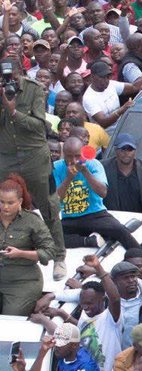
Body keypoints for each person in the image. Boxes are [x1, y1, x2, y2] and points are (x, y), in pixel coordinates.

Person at [0, 52, 64, 278]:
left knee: (48, 205)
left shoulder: (34, 89)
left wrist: (14, 111)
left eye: (12, 76)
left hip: (34, 156)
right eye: (5, 76)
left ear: (21, 72)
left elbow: (39, 126)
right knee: (5, 207)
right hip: (6, 157)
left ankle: (59, 257)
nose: (10, 81)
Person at [53, 137, 140, 251]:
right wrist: (68, 178)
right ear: (63, 154)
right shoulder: (56, 167)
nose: (73, 160)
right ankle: (89, 241)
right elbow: (56, 199)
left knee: (120, 230)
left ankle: (140, 257)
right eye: (69, 156)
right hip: (70, 217)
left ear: (83, 153)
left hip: (95, 214)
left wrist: (85, 172)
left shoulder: (94, 164)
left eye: (77, 156)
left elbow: (103, 192)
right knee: (51, 237)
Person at [0, 174, 55, 315]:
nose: (5, 207)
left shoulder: (31, 221)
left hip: (23, 282)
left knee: (11, 318)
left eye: (10, 203)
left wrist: (21, 253)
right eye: (1, 202)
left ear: (20, 201)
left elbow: (49, 251)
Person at [101, 134, 142, 230]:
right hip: (114, 222)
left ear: (135, 151)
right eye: (123, 149)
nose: (126, 153)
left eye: (130, 149)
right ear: (116, 151)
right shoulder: (104, 167)